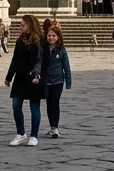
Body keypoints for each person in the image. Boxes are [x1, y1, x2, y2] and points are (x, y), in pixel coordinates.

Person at [5, 15, 43, 147]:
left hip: (34, 78)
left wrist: (38, 75)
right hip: (20, 77)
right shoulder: (19, 41)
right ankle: (21, 133)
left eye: (23, 25)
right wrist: (9, 77)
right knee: (16, 105)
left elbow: (41, 61)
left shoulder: (40, 41)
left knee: (34, 108)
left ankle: (34, 135)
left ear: (30, 25)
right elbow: (15, 59)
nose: (20, 27)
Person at [40, 23, 73, 141]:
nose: (51, 38)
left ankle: (55, 127)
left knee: (55, 102)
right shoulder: (44, 49)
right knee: (49, 103)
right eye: (49, 35)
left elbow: (66, 66)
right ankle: (52, 126)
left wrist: (68, 82)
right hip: (46, 81)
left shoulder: (62, 50)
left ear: (58, 37)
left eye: (53, 36)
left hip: (58, 80)